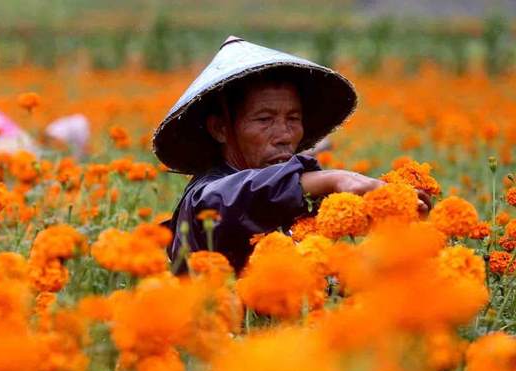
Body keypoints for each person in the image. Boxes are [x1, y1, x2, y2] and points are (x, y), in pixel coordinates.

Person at [152, 36, 430, 273]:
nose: (284, 134)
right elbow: (229, 199)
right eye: (264, 120)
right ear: (221, 129)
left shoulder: (297, 192)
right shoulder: (204, 197)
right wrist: (337, 179)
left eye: (293, 119)